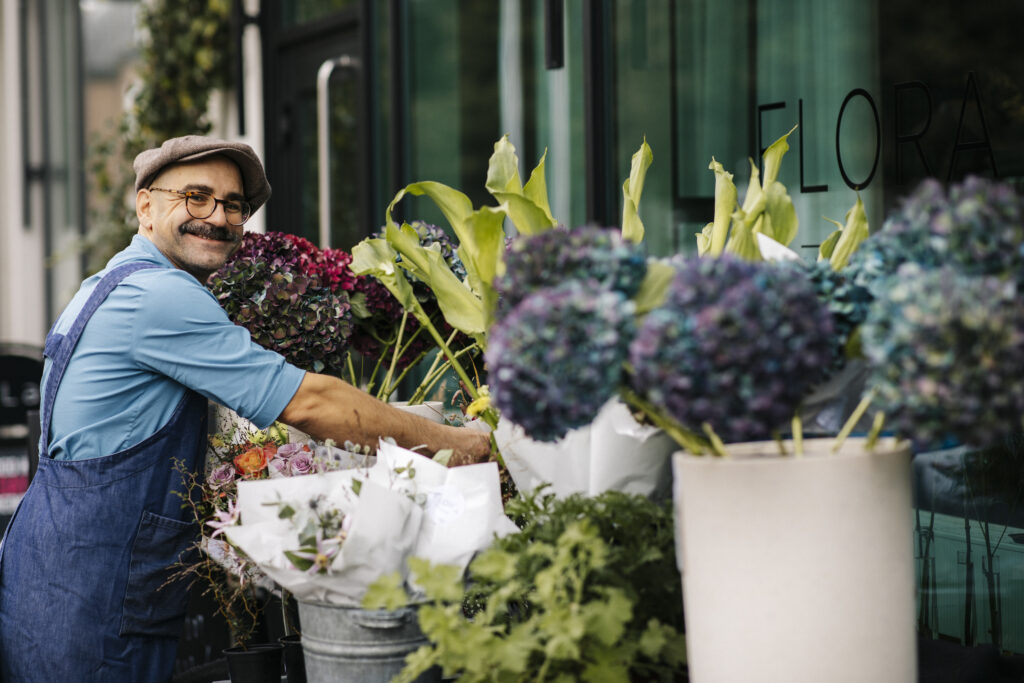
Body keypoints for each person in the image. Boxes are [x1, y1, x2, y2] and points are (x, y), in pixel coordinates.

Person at [0, 135, 491, 682]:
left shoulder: (108, 284)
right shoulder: (161, 296)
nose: (218, 217)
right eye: (195, 196)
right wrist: (456, 439)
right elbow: (309, 402)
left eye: (234, 204)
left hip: (51, 579)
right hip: (95, 606)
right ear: (145, 206)